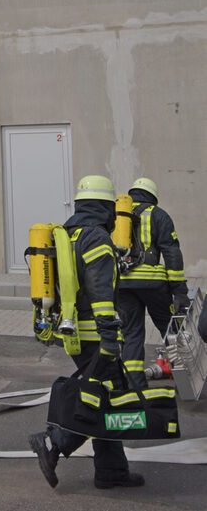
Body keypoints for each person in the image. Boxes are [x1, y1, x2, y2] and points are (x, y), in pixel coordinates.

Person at [29, 175, 145, 491]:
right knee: (97, 400)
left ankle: (111, 471)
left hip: (77, 332)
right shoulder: (95, 238)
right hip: (97, 335)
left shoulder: (70, 232)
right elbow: (99, 291)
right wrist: (110, 337)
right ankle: (54, 443)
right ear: (105, 207)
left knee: (104, 399)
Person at [118, 177, 189, 390]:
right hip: (153, 285)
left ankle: (134, 386)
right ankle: (186, 379)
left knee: (131, 333)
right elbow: (172, 254)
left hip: (123, 285)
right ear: (153, 197)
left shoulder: (119, 216)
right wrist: (180, 292)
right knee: (171, 329)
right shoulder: (159, 215)